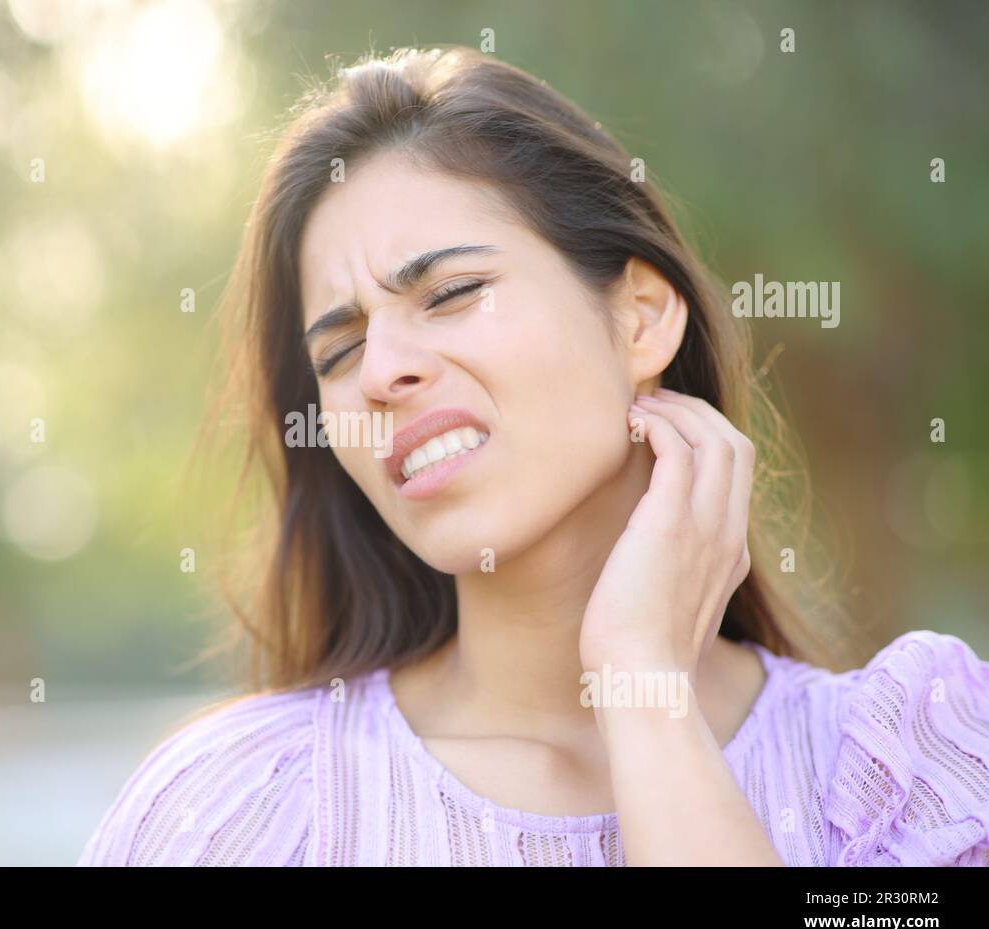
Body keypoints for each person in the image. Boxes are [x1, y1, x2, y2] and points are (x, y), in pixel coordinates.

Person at [79, 45, 989, 866]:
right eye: (341, 350)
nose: (385, 370)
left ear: (639, 318)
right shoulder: (240, 812)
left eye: (452, 291)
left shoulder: (915, 770)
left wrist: (642, 690)